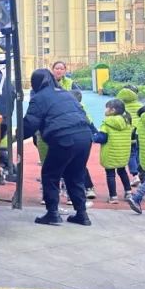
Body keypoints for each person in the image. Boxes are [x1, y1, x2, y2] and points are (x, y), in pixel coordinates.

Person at [21, 69, 95, 226]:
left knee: (50, 174)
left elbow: (30, 123)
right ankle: (82, 215)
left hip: (64, 138)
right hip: (85, 137)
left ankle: (53, 213)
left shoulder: (39, 97)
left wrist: (16, 135)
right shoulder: (66, 93)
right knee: (75, 175)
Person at [94, 98, 133, 203]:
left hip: (110, 153)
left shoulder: (106, 124)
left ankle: (113, 196)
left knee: (110, 174)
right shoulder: (127, 121)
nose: (105, 110)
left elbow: (102, 138)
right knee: (122, 171)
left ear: (112, 110)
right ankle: (128, 192)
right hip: (123, 152)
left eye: (106, 108)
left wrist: (93, 137)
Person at [69, 89, 97, 202]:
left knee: (75, 164)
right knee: (78, 164)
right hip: (84, 140)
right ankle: (86, 188)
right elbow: (91, 125)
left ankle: (84, 189)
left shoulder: (78, 110)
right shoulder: (81, 109)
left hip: (78, 139)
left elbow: (89, 123)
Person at [117, 86, 143, 183]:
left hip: (128, 132)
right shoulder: (140, 105)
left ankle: (135, 175)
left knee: (131, 154)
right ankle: (141, 174)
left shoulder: (119, 106)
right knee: (139, 153)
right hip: (139, 132)